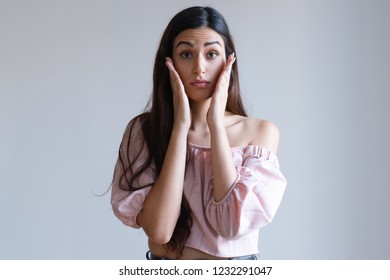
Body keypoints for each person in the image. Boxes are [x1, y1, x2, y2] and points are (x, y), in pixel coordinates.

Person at [111, 6, 287, 260]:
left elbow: (231, 225)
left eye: (212, 53)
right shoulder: (144, 130)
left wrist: (215, 124)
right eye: (186, 54)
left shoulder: (259, 133)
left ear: (228, 62)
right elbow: (160, 231)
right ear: (168, 62)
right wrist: (180, 128)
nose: (199, 67)